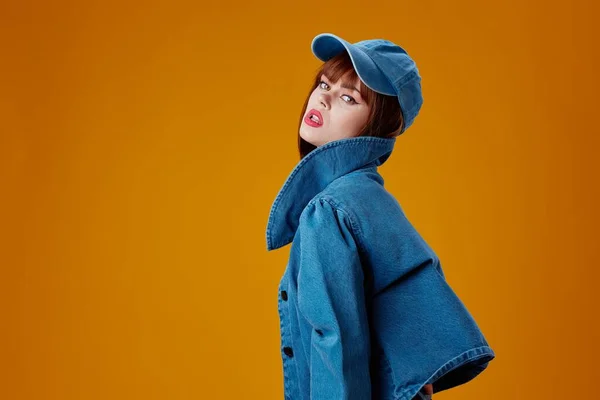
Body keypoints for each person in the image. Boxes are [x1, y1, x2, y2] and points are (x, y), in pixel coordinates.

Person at [266, 33, 495, 400]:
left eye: (347, 97)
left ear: (381, 128)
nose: (322, 97)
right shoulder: (372, 198)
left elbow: (334, 341)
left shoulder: (328, 211)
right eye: (324, 83)